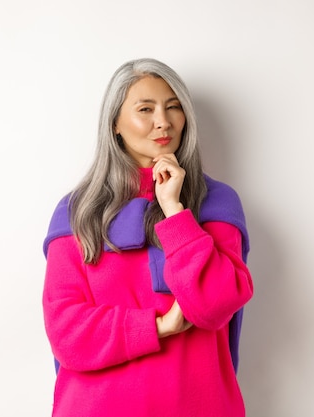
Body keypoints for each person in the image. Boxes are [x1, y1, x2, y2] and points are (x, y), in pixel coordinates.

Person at [42, 58, 254, 417]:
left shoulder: (217, 202)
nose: (164, 121)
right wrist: (157, 326)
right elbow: (66, 331)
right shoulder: (76, 211)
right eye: (146, 109)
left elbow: (216, 303)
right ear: (115, 125)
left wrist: (174, 209)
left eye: (174, 107)